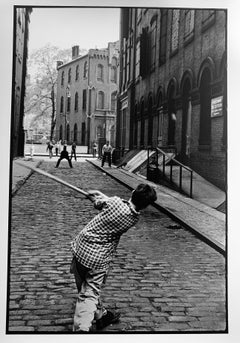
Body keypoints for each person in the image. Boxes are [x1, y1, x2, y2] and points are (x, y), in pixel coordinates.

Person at [70, 183, 157, 332]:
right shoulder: (133, 218)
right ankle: (100, 315)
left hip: (81, 249)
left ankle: (82, 328)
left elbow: (99, 204)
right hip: (99, 258)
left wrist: (95, 196)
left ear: (133, 191)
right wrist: (100, 194)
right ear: (145, 206)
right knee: (90, 289)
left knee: (87, 292)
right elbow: (111, 204)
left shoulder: (115, 202)